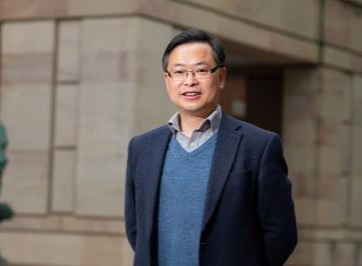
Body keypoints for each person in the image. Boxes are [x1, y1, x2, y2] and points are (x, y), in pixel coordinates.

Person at [125, 29, 297, 266]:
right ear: (167, 79)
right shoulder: (142, 148)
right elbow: (137, 230)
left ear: (222, 76)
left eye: (200, 70)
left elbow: (281, 233)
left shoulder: (258, 145)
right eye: (179, 72)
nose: (189, 81)